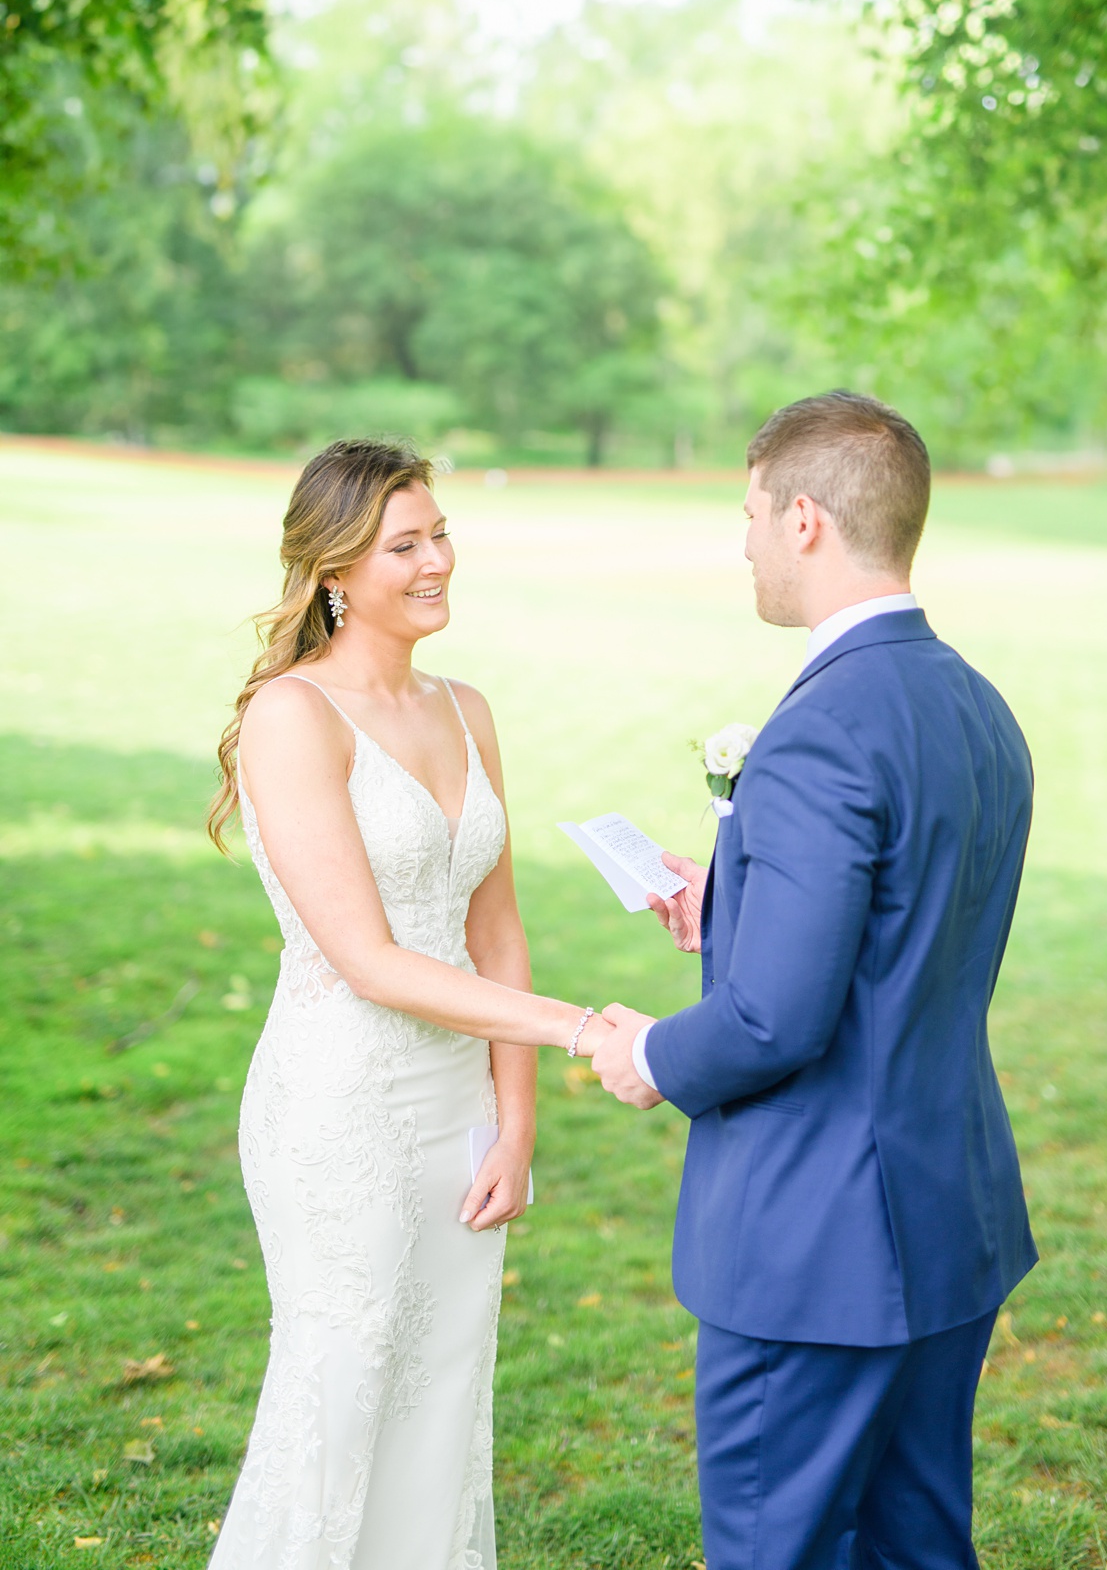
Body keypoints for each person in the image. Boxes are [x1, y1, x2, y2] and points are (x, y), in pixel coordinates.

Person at [587, 392, 1039, 1570]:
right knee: (918, 1543)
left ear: (802, 521)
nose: (738, 541)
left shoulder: (822, 730)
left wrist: (645, 1054)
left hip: (816, 1245)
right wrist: (733, 899)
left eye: (746, 512)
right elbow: (905, 934)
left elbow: (774, 1018)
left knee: (773, 1548)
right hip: (950, 1214)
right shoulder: (976, 704)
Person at [205, 439, 623, 1565]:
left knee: (444, 1391)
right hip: (340, 1098)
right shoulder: (290, 716)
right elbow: (369, 957)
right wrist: (584, 1029)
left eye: (441, 533)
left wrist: (518, 1117)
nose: (438, 559)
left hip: (461, 1107)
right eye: (407, 543)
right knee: (341, 1385)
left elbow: (496, 929)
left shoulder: (466, 707)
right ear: (334, 567)